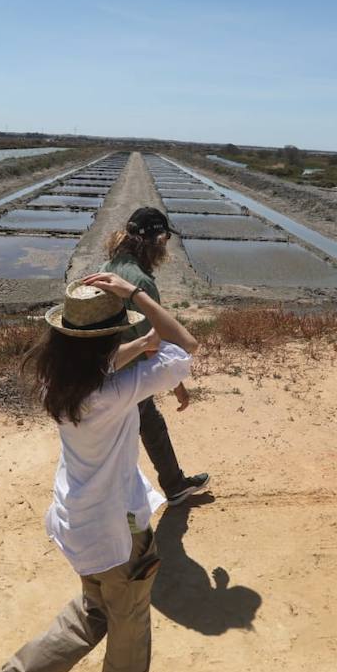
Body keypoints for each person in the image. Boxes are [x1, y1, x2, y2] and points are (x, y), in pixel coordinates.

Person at [0, 272, 200, 672]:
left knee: (93, 611)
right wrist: (136, 294)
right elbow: (187, 346)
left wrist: (140, 345)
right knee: (129, 629)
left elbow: (105, 361)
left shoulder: (56, 379)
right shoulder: (120, 391)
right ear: (107, 341)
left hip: (75, 523)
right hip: (117, 531)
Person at [101, 207, 211, 506]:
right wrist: (178, 385)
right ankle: (123, 510)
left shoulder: (109, 265)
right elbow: (153, 343)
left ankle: (175, 485)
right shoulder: (140, 283)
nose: (165, 246)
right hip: (127, 376)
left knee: (151, 425)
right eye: (164, 239)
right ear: (156, 240)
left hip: (108, 369)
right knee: (123, 444)